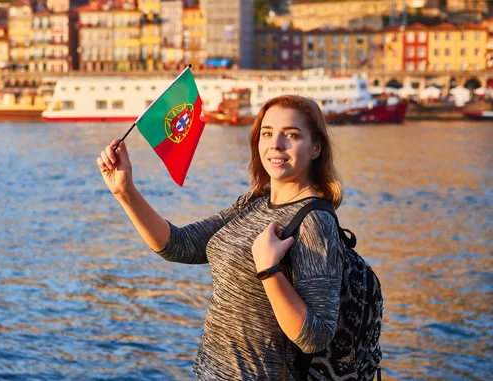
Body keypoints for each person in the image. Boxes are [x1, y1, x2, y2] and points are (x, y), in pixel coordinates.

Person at [96, 94, 346, 380]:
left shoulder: (314, 221)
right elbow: (179, 245)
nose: (276, 144)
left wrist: (269, 270)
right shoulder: (253, 203)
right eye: (267, 133)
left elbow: (316, 337)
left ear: (316, 148)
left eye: (291, 134)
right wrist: (125, 191)